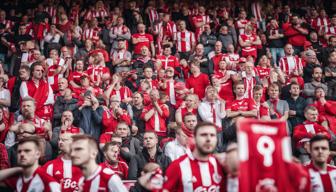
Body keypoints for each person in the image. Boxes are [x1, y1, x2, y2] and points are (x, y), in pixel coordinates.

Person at [162, 122, 226, 191]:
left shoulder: (221, 165)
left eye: (212, 135)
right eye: (203, 135)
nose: (208, 139)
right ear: (194, 138)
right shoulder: (177, 166)